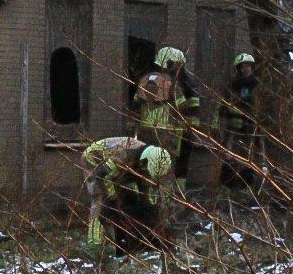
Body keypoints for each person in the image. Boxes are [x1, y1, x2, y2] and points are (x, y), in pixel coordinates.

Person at [80, 135, 173, 255]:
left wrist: (151, 210)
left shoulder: (149, 159)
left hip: (120, 167)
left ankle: (126, 233)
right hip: (95, 161)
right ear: (145, 160)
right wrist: (114, 198)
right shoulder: (123, 155)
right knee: (100, 198)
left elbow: (144, 186)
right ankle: (95, 242)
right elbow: (102, 176)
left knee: (138, 193)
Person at [133, 46, 203, 180]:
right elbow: (182, 107)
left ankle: (148, 194)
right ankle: (168, 197)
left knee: (147, 164)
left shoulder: (143, 81)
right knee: (166, 168)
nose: (180, 68)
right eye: (178, 65)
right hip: (168, 134)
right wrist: (192, 124)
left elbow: (135, 106)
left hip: (145, 132)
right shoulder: (172, 84)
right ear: (170, 63)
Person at [216, 52, 260, 190]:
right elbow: (224, 107)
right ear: (238, 68)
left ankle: (246, 187)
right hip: (233, 129)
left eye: (248, 66)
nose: (246, 69)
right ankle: (229, 186)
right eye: (243, 66)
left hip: (250, 129)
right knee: (229, 157)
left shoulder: (257, 85)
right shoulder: (232, 86)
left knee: (248, 157)